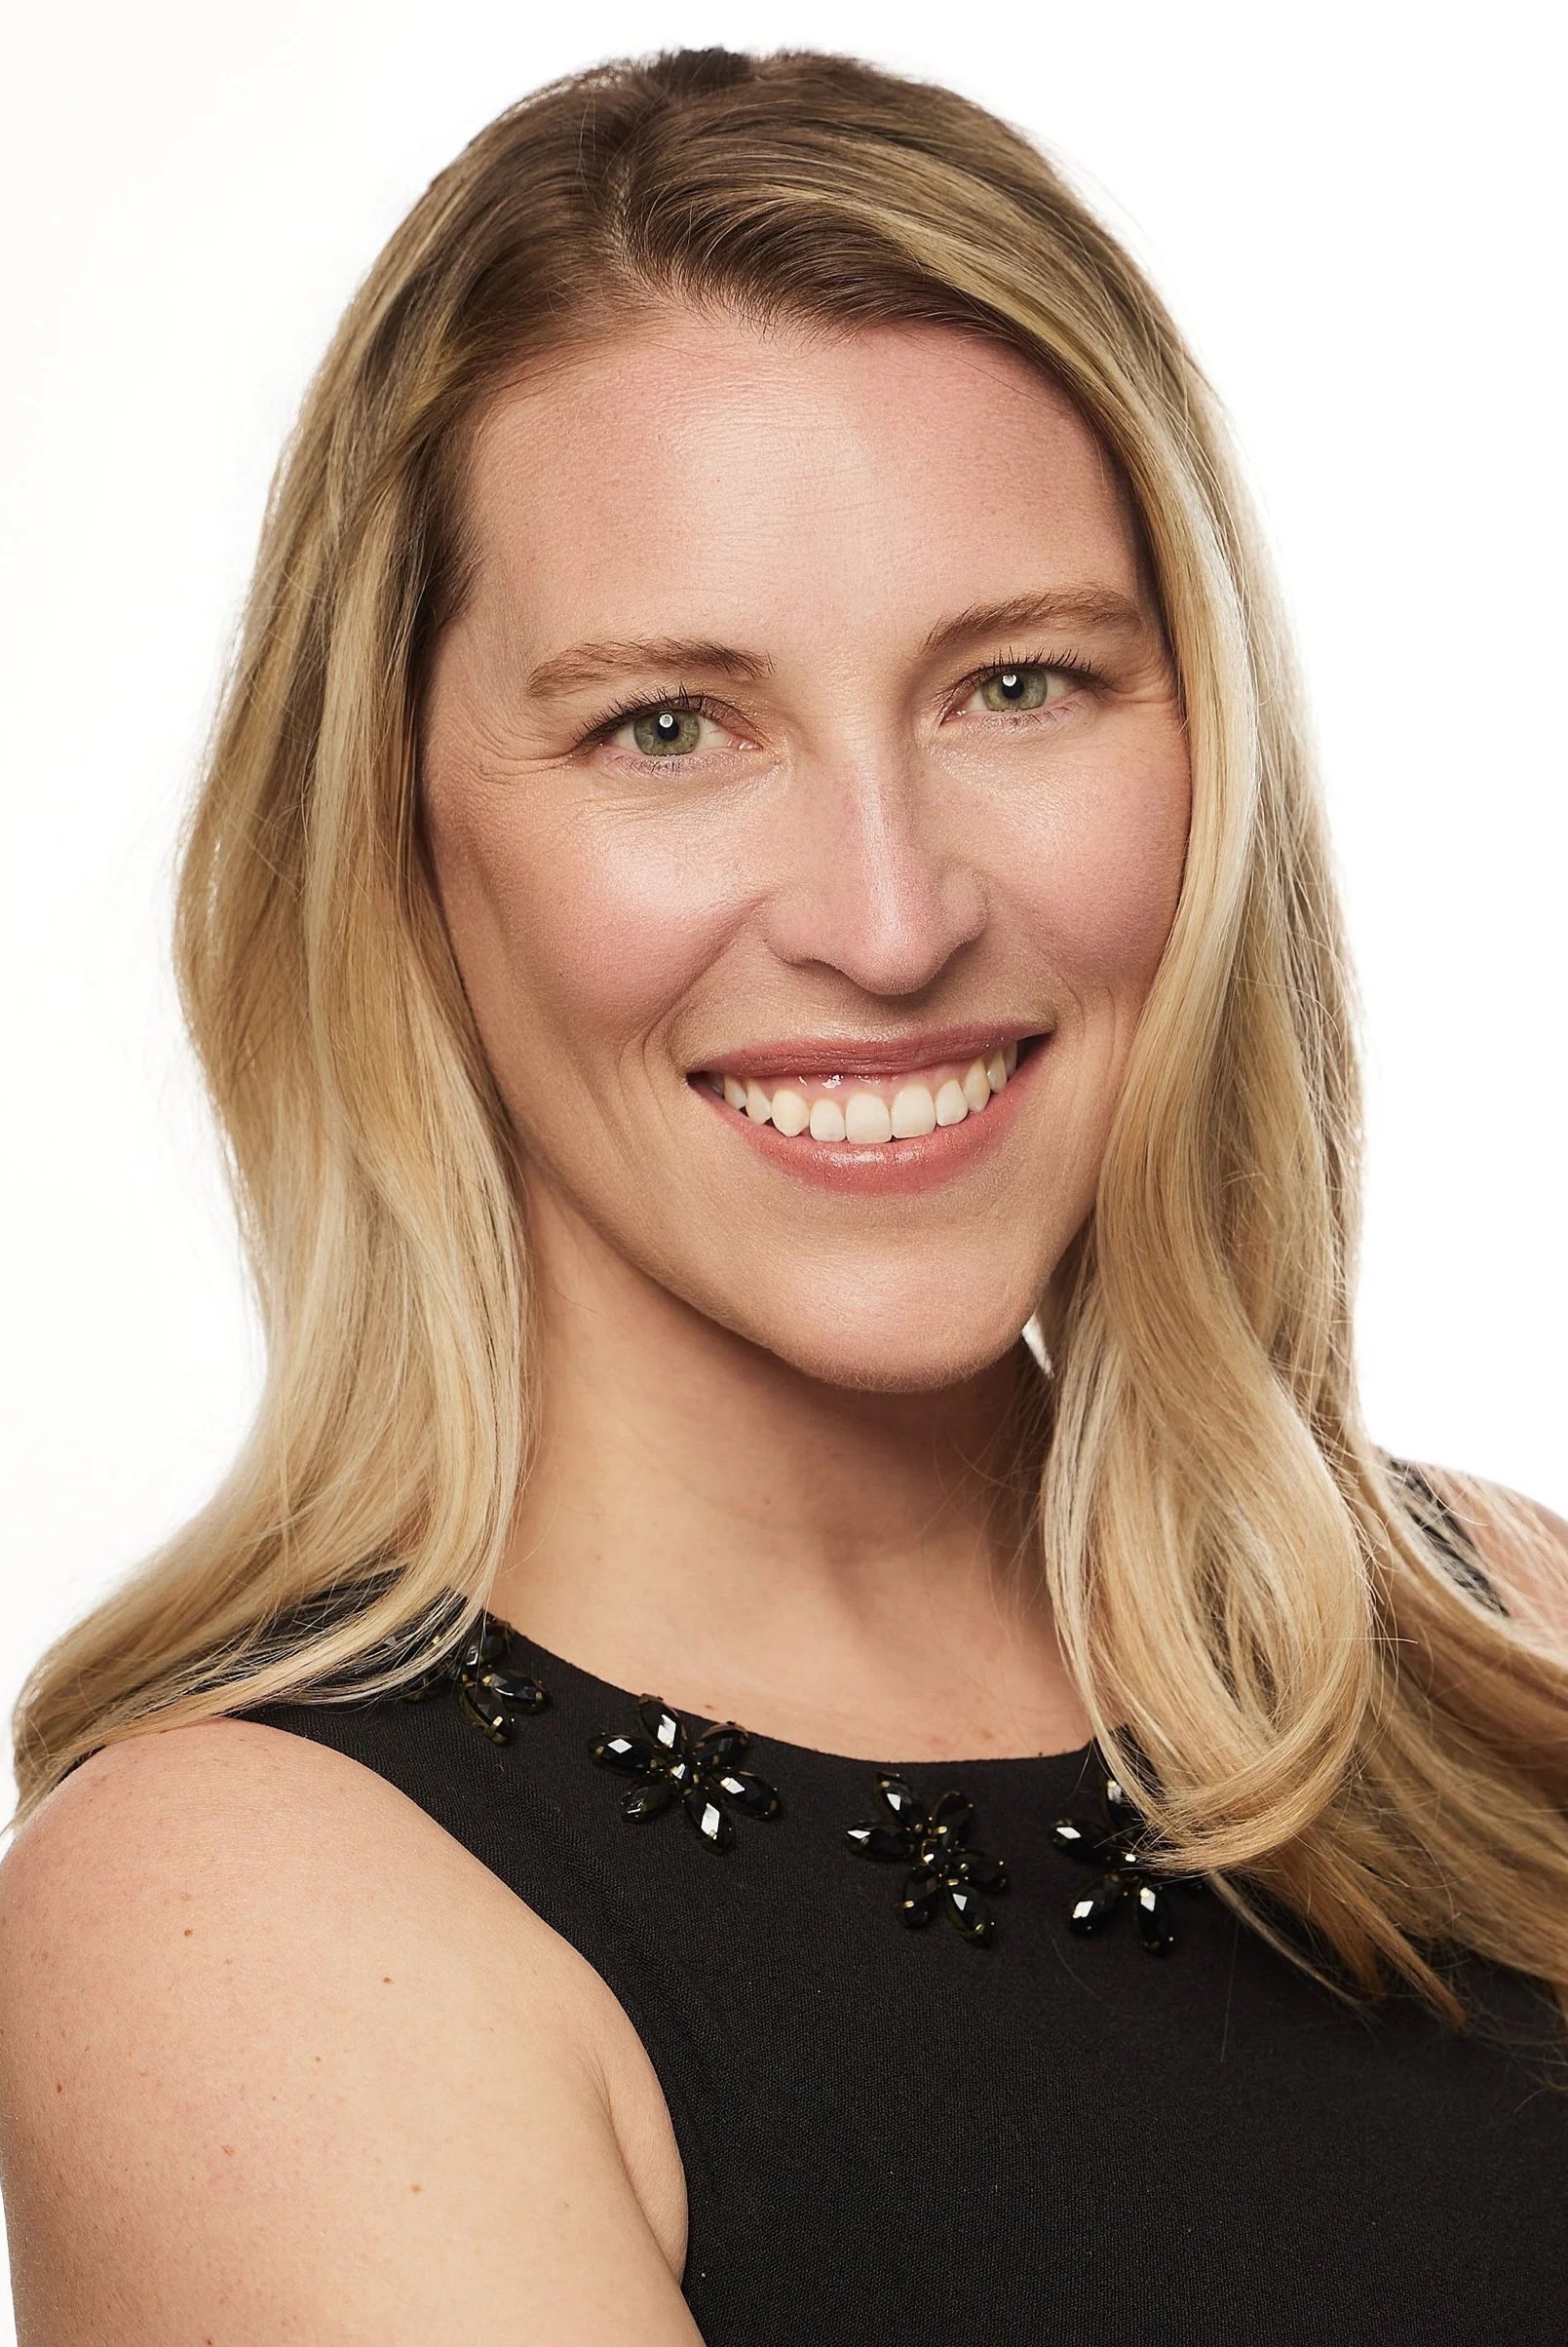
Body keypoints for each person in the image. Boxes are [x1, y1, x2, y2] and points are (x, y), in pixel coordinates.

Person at [1, 42, 1566, 2347]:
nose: (885, 909)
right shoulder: (251, 1922)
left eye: (1018, 683)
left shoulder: (1492, 1645)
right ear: (398, 847)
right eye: (667, 724)